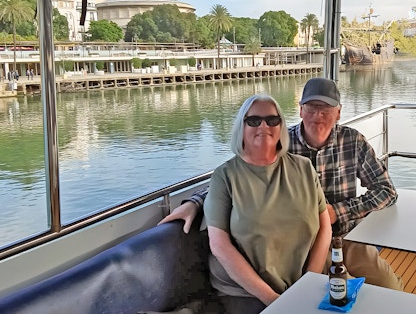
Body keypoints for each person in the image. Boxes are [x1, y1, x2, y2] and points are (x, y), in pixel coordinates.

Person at [159, 78, 402, 291]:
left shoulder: (353, 142)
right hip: (301, 242)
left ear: (338, 113)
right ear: (300, 110)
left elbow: (386, 191)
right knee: (341, 296)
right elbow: (242, 175)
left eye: (326, 108)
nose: (318, 115)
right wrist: (196, 202)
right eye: (312, 107)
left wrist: (337, 212)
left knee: (388, 285)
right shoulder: (280, 144)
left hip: (346, 235)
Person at [202, 94, 331, 313]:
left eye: (272, 120)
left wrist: (309, 282)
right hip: (248, 291)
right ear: (241, 127)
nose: (264, 126)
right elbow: (220, 246)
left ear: (280, 125)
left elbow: (324, 227)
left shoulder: (304, 168)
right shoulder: (225, 177)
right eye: (254, 120)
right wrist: (273, 299)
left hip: (307, 278)